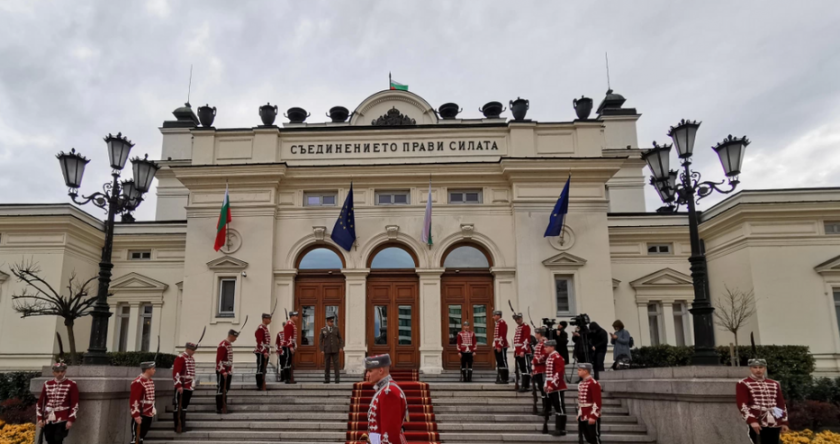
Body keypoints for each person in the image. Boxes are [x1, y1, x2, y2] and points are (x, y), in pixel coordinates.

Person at [737, 358, 789, 444]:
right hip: (757, 419)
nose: (758, 370)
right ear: (750, 369)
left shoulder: (774, 383)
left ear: (765, 368)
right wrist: (752, 420)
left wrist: (784, 421)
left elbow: (781, 404)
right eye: (755, 367)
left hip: (774, 419)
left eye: (761, 367)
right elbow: (743, 405)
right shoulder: (743, 383)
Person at [362, 354, 408, 444]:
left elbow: (389, 434)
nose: (367, 375)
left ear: (381, 370)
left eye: (370, 371)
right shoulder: (384, 389)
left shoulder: (388, 392)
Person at [36, 360, 79, 444]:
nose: (60, 373)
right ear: (53, 373)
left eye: (62, 371)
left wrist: (70, 420)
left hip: (63, 417)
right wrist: (40, 418)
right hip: (48, 418)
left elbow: (75, 404)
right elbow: (40, 402)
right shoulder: (47, 383)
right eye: (57, 372)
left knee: (58, 440)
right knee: (49, 439)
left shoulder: (71, 384)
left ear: (65, 372)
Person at [543, 339, 568, 437]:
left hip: (557, 386)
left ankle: (561, 428)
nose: (545, 348)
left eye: (546, 347)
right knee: (556, 407)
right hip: (550, 385)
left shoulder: (557, 357)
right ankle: (558, 428)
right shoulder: (551, 357)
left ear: (552, 347)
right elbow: (548, 374)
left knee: (560, 407)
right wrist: (546, 384)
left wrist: (552, 385)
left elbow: (558, 373)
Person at [172, 342, 197, 433]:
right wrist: (178, 385)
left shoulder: (191, 359)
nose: (194, 352)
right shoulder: (181, 358)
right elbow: (176, 373)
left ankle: (183, 425)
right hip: (182, 385)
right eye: (192, 350)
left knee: (184, 406)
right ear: (188, 349)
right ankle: (178, 425)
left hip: (189, 385)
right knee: (178, 406)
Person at [130, 360, 157, 444]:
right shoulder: (138, 382)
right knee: (136, 439)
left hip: (148, 413)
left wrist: (152, 407)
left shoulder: (150, 381)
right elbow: (134, 400)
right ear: (147, 370)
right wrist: (136, 415)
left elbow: (151, 398)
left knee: (141, 437)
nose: (154, 370)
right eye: (153, 368)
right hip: (141, 413)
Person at [576, 363, 602, 444]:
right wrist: (579, 413)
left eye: (580, 370)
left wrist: (593, 416)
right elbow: (581, 401)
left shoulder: (593, 383)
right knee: (588, 438)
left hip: (590, 413)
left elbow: (597, 401)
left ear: (585, 371)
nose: (578, 372)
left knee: (594, 437)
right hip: (583, 414)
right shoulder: (581, 384)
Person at [215, 329, 238, 414]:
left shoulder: (228, 344)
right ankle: (219, 407)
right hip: (223, 371)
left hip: (228, 370)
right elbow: (219, 361)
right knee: (221, 388)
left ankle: (223, 405)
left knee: (226, 389)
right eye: (235, 337)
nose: (235, 339)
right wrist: (222, 371)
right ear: (231, 336)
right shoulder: (223, 345)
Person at [319, 314, 344, 384]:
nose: (331, 323)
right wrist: (322, 349)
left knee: (336, 364)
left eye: (332, 322)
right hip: (327, 350)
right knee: (327, 365)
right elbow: (320, 341)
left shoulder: (336, 329)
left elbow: (340, 338)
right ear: (327, 322)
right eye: (330, 322)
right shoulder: (323, 330)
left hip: (335, 349)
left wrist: (341, 347)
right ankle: (327, 379)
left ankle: (337, 379)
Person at [512, 313, 532, 392]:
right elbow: (516, 341)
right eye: (516, 319)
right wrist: (515, 351)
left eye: (519, 319)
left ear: (521, 318)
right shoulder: (518, 327)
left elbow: (526, 340)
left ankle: (526, 386)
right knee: (522, 369)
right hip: (518, 351)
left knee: (525, 368)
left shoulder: (525, 326)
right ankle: (523, 385)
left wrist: (522, 350)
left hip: (524, 351)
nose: (517, 321)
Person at [254, 313, 272, 390]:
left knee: (264, 368)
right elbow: (259, 341)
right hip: (261, 351)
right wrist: (264, 351)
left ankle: (262, 382)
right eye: (269, 319)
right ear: (264, 319)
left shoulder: (264, 328)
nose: (270, 320)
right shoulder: (261, 328)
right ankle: (259, 384)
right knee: (260, 368)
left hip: (265, 350)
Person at [492, 310, 509, 384]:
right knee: (499, 362)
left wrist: (499, 345)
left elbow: (502, 335)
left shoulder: (502, 323)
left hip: (501, 346)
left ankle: (504, 378)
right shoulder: (498, 323)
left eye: (495, 315)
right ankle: (500, 377)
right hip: (497, 345)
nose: (493, 317)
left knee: (503, 361)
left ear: (498, 316)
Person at [282, 311, 299, 384]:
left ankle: (289, 378)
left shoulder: (292, 324)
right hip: (287, 346)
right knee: (287, 362)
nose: (297, 318)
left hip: (289, 345)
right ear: (292, 316)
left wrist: (294, 344)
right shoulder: (289, 324)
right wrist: (291, 346)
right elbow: (288, 337)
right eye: (296, 316)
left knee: (289, 362)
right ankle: (287, 378)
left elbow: (292, 337)